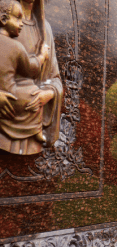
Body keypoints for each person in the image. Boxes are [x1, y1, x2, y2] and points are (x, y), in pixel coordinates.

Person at [0, 0, 62, 155]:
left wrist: (47, 94)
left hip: (31, 109)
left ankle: (35, 131)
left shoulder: (44, 30)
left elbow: (55, 79)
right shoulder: (4, 22)